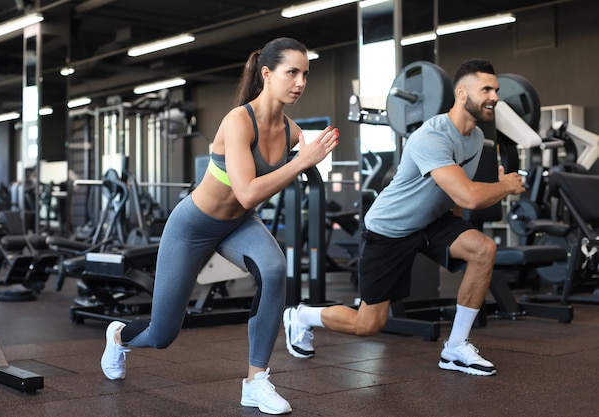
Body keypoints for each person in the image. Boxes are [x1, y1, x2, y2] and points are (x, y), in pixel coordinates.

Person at [100, 37, 339, 415]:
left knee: (275, 269)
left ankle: (255, 381)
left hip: (240, 224)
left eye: (305, 74)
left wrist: (304, 160)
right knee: (162, 335)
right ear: (267, 73)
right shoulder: (237, 121)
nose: (300, 82)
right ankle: (118, 336)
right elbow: (246, 192)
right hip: (192, 226)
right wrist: (301, 161)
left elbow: (253, 201)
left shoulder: (293, 132)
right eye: (291, 72)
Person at [283, 58, 526, 377]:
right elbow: (468, 195)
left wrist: (454, 228)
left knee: (483, 249)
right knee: (368, 324)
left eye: (495, 89)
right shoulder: (432, 136)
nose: (494, 96)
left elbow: (455, 198)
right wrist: (503, 186)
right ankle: (300, 317)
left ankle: (455, 348)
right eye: (486, 89)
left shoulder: (477, 138)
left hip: (431, 223)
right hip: (390, 229)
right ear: (462, 93)